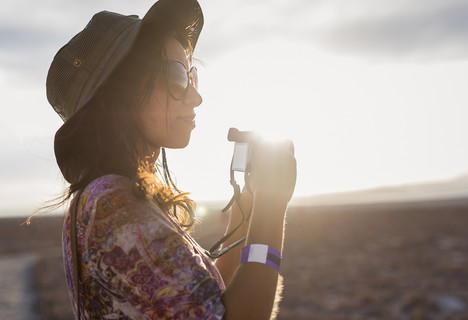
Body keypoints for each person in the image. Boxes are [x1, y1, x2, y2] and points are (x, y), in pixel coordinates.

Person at [46, 0, 296, 319]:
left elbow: (205, 305)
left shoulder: (105, 199)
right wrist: (272, 206)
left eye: (191, 75)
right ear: (122, 92)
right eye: (177, 76)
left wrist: (246, 214)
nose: (196, 97)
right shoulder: (113, 207)